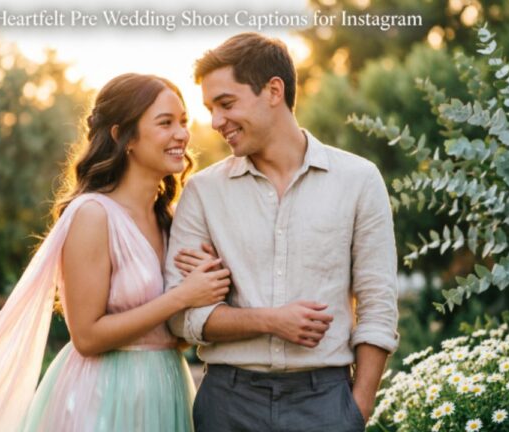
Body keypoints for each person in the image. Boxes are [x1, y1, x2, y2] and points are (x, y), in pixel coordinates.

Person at [0, 73, 231, 431]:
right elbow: (86, 337)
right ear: (122, 136)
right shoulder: (93, 215)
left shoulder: (172, 221)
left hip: (166, 387)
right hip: (104, 396)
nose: (182, 134)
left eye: (183, 121)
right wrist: (182, 296)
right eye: (165, 123)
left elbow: (174, 332)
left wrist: (205, 297)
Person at [166, 33, 399, 431]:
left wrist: (354, 412)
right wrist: (271, 320)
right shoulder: (203, 192)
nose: (215, 122)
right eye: (210, 109)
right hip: (227, 404)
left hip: (325, 402)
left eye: (225, 104)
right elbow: (180, 317)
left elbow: (378, 305)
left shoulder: (359, 180)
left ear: (274, 90)